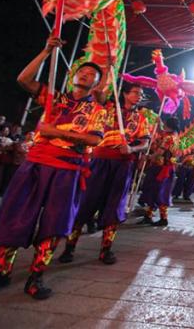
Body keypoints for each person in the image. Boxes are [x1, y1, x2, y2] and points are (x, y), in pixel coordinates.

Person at [0, 36, 106, 299]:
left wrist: (56, 132)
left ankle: (36, 277)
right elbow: (23, 79)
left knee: (54, 223)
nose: (86, 75)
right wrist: (46, 51)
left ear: (97, 85)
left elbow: (94, 139)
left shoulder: (98, 111)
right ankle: (0, 270)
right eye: (83, 71)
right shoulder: (53, 98)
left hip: (67, 170)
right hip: (34, 164)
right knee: (13, 215)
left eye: (92, 75)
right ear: (73, 76)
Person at [58, 82, 151, 265]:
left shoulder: (141, 119)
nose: (139, 96)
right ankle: (69, 247)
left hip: (123, 165)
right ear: (124, 94)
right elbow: (98, 93)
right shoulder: (106, 107)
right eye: (135, 93)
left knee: (114, 206)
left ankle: (106, 250)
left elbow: (145, 142)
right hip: (100, 162)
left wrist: (132, 149)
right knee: (86, 203)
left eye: (141, 94)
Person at [138, 117, 179, 227]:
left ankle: (163, 218)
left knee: (160, 193)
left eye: (164, 123)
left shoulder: (169, 138)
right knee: (152, 191)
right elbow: (161, 133)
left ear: (168, 124)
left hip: (162, 169)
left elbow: (160, 151)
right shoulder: (173, 136)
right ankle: (148, 216)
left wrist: (149, 157)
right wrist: (159, 124)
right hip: (161, 167)